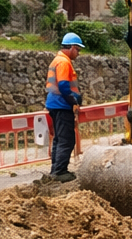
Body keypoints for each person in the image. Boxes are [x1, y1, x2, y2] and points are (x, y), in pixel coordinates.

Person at [45, 32, 86, 183]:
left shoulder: (57, 60)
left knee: (59, 139)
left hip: (55, 105)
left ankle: (55, 170)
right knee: (66, 140)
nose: (78, 53)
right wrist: (73, 99)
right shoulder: (63, 62)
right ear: (72, 47)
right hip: (62, 105)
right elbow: (63, 85)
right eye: (78, 50)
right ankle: (60, 172)